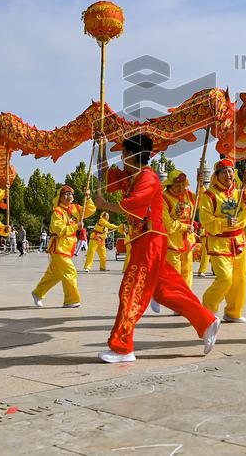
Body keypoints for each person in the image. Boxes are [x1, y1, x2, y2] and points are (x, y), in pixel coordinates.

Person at [93, 133, 219, 363]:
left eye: (123, 153)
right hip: (146, 240)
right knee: (166, 291)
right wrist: (100, 148)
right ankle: (206, 320)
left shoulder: (149, 178)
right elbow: (106, 177)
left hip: (150, 239)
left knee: (131, 291)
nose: (121, 157)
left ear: (131, 154)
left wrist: (106, 205)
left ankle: (122, 348)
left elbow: (135, 204)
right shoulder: (131, 176)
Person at [198, 159, 246, 322]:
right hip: (219, 242)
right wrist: (223, 223)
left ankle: (233, 312)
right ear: (217, 175)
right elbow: (205, 220)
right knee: (225, 278)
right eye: (224, 171)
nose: (228, 174)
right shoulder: (210, 195)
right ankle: (208, 306)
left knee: (239, 281)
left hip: (239, 240)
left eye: (230, 171)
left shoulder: (241, 190)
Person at [32, 185, 95, 308]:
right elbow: (59, 230)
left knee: (54, 275)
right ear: (59, 198)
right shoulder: (57, 212)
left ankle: (38, 293)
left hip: (67, 247)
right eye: (65, 194)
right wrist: (77, 226)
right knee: (70, 271)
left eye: (70, 194)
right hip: (59, 248)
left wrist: (88, 198)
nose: (68, 196)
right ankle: (71, 300)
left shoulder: (75, 208)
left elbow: (90, 210)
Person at [162, 171, 198, 286]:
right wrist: (185, 226)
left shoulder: (188, 194)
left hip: (187, 239)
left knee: (187, 271)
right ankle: (175, 299)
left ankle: (187, 298)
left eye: (183, 184)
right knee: (174, 275)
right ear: (170, 185)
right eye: (177, 185)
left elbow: (202, 199)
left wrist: (200, 184)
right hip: (172, 242)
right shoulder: (164, 198)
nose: (181, 188)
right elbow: (168, 224)